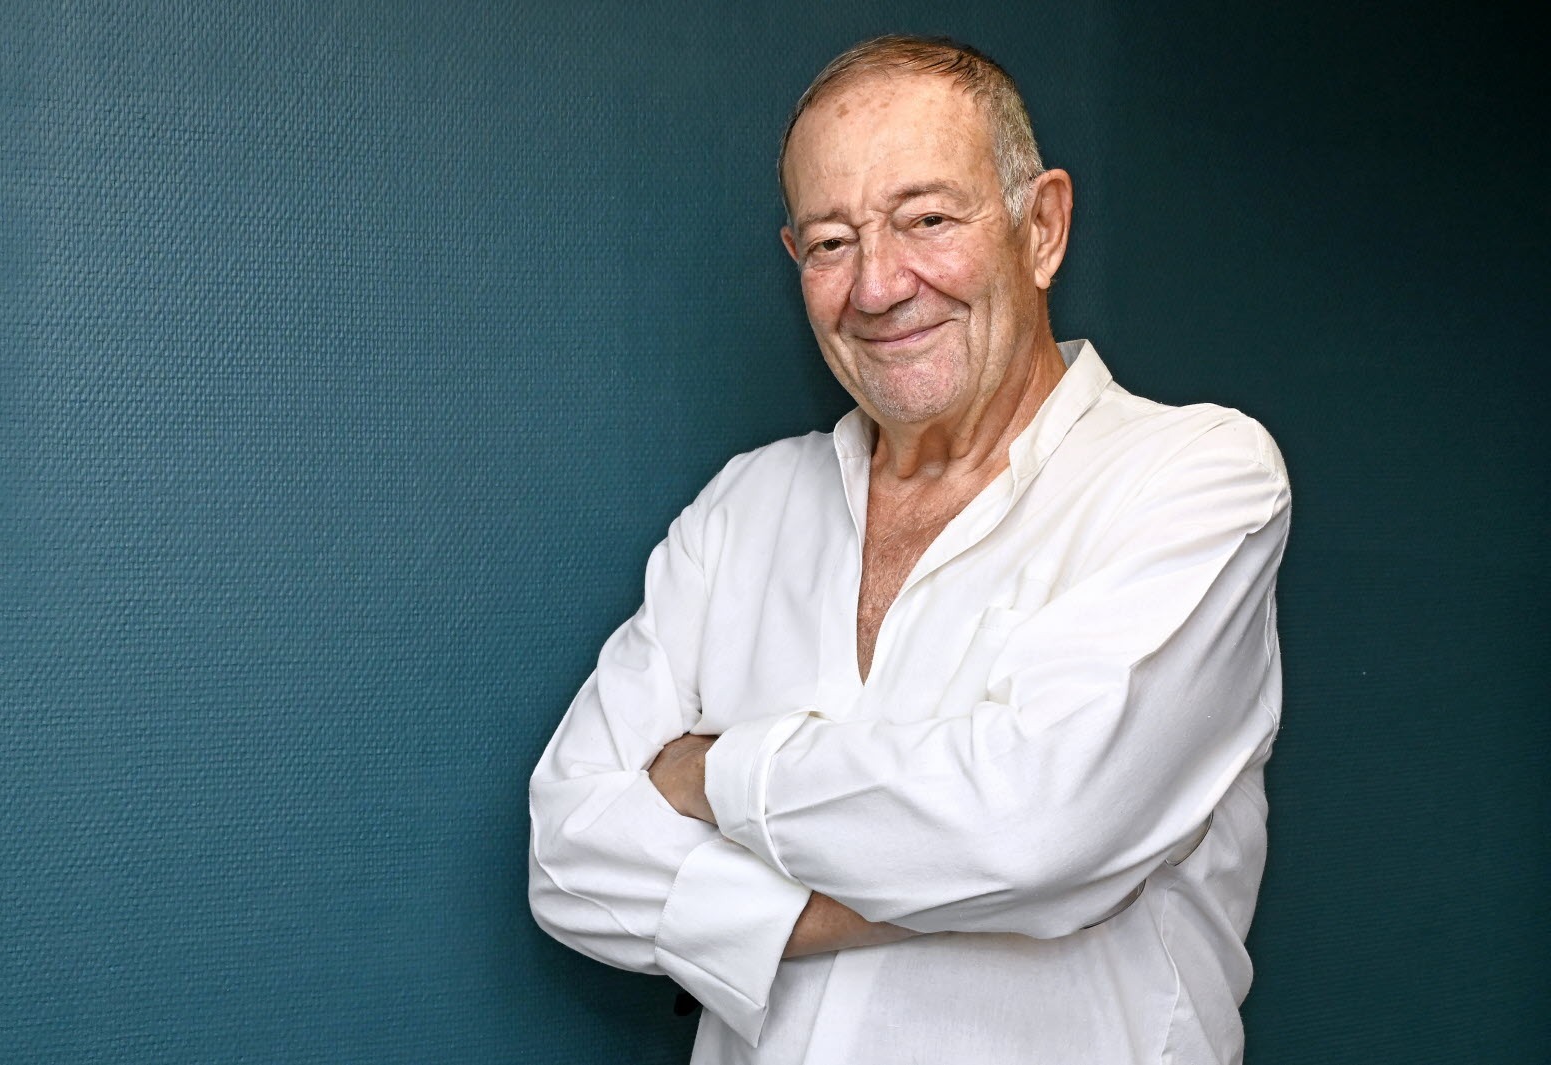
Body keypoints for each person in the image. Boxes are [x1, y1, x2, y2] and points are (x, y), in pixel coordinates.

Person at [528, 34, 1290, 1065]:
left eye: (926, 219)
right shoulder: (744, 506)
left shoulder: (1195, 475)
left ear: (1041, 228)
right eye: (831, 242)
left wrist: (711, 775)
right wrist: (958, 895)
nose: (878, 285)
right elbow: (569, 857)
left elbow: (1031, 826)